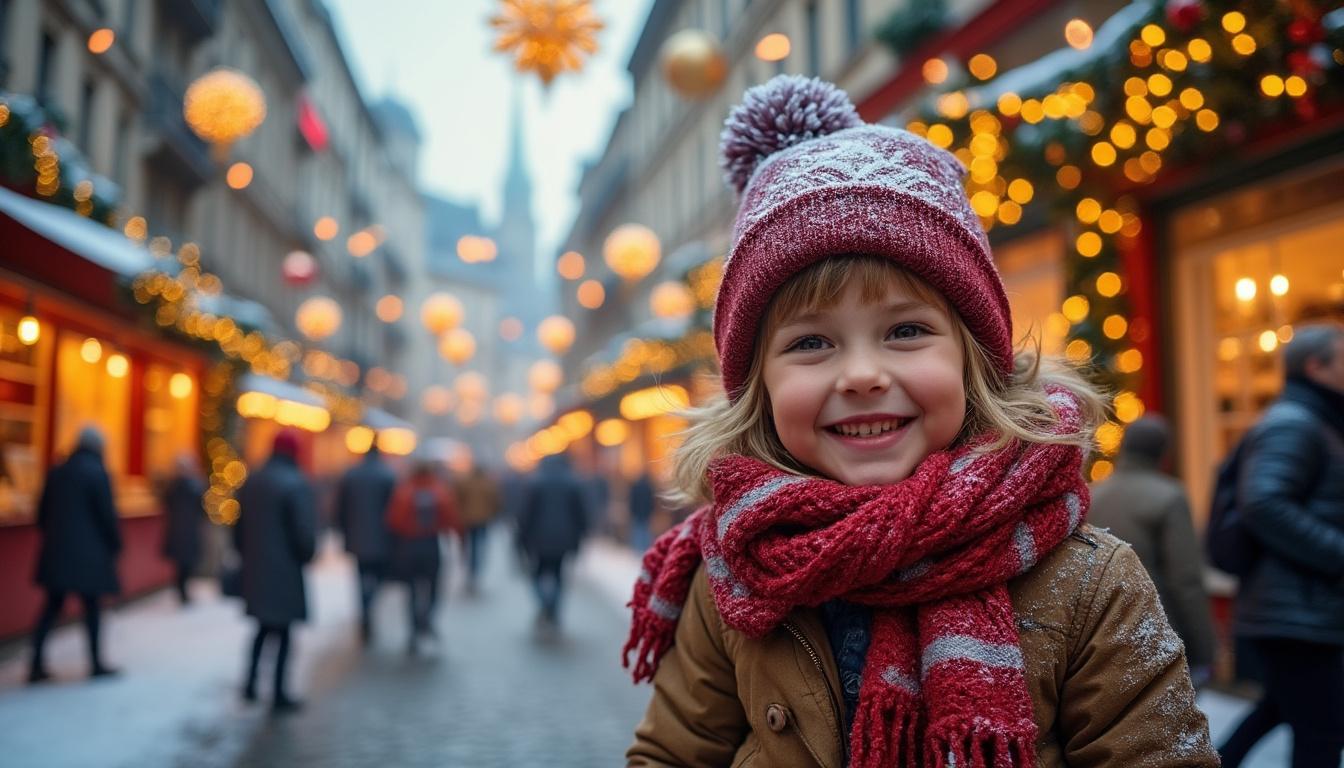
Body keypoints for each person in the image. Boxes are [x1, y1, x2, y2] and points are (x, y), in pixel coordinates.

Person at [622, 76, 1217, 767]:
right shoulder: (733, 570)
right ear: (758, 387)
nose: (862, 374)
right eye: (811, 343)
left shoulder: (1089, 583)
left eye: (905, 330)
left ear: (973, 362)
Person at [1217, 322, 1344, 768]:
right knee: (1322, 734)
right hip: (1295, 613)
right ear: (1315, 366)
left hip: (1301, 608)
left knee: (1286, 712)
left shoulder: (1315, 420)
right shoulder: (1294, 422)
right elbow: (1264, 503)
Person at [1088, 415, 1217, 686]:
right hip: (1155, 628)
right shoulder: (1168, 496)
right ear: (1163, 453)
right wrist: (1205, 649)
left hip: (1098, 630)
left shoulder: (1093, 495)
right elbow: (1185, 580)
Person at [28, 427, 121, 683]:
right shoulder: (98, 474)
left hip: (57, 552)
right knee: (91, 609)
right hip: (89, 556)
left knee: (50, 607)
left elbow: (42, 515)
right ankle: (96, 663)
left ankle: (35, 663)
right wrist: (115, 545)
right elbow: (107, 517)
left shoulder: (56, 472)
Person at [234, 430, 316, 713]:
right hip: (285, 571)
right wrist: (307, 554)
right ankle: (279, 691)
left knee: (261, 627)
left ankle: (250, 684)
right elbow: (303, 534)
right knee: (282, 632)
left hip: (257, 568)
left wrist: (247, 556)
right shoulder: (295, 483)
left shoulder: (253, 479)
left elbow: (237, 528)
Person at [386, 456, 460, 654]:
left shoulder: (404, 492)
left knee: (411, 591)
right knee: (434, 587)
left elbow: (394, 520)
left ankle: (414, 628)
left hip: (409, 545)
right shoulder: (440, 491)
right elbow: (451, 517)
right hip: (431, 544)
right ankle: (426, 618)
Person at [516, 453, 589, 631]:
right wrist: (581, 535)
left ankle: (546, 604)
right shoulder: (573, 482)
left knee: (537, 573)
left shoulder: (534, 482)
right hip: (565, 538)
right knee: (558, 574)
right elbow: (581, 514)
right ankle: (552, 608)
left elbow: (526, 514)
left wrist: (522, 537)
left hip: (538, 538)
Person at [335, 444, 397, 644]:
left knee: (361, 578)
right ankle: (369, 606)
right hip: (382, 538)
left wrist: (343, 531)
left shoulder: (351, 475)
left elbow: (341, 508)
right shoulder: (388, 476)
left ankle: (365, 609)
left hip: (357, 537)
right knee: (378, 578)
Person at [161, 453, 207, 606]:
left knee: (184, 563)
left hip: (181, 529)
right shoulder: (191, 486)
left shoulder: (175, 486)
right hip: (185, 529)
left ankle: (182, 590)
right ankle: (182, 591)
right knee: (184, 563)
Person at [455, 463, 500, 594]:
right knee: (479, 546)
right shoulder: (487, 484)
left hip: (467, 520)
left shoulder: (465, 483)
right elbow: (495, 501)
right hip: (482, 520)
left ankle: (471, 570)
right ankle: (475, 571)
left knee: (470, 546)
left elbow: (457, 498)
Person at [627, 472, 656, 553]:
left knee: (638, 530)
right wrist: (651, 511)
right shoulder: (649, 487)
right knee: (645, 531)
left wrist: (632, 511)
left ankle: (637, 549)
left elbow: (632, 500)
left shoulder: (636, 486)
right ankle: (645, 549)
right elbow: (652, 501)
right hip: (646, 512)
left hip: (637, 512)